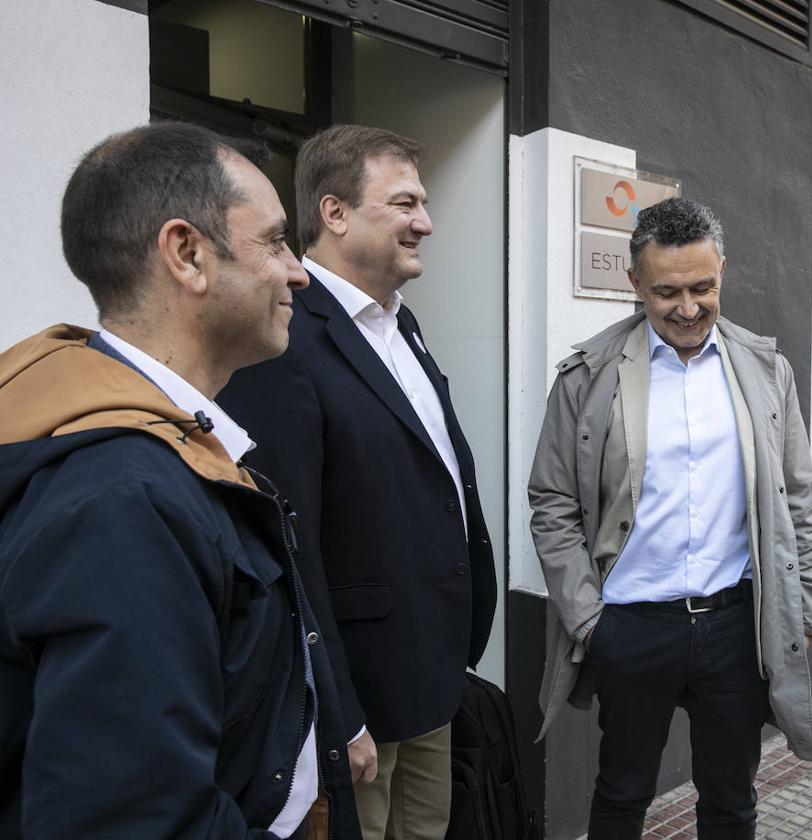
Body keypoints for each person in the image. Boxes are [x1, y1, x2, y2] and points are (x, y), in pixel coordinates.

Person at [0, 122, 360, 838]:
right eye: (274, 241)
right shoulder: (124, 500)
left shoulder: (157, 443)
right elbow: (134, 819)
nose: (297, 272)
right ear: (188, 254)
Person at [219, 124, 497, 840]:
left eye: (424, 202)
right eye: (405, 202)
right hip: (360, 704)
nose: (425, 223)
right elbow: (287, 539)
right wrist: (335, 710)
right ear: (335, 212)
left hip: (432, 674)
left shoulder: (402, 326)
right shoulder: (285, 334)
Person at [529, 197, 812, 839]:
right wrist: (589, 618)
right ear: (635, 283)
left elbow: (795, 493)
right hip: (631, 627)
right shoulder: (587, 376)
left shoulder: (767, 369)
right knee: (621, 795)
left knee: (731, 801)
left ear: (724, 270)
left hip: (735, 625)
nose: (688, 308)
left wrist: (805, 600)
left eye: (703, 287)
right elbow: (551, 502)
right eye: (667, 291)